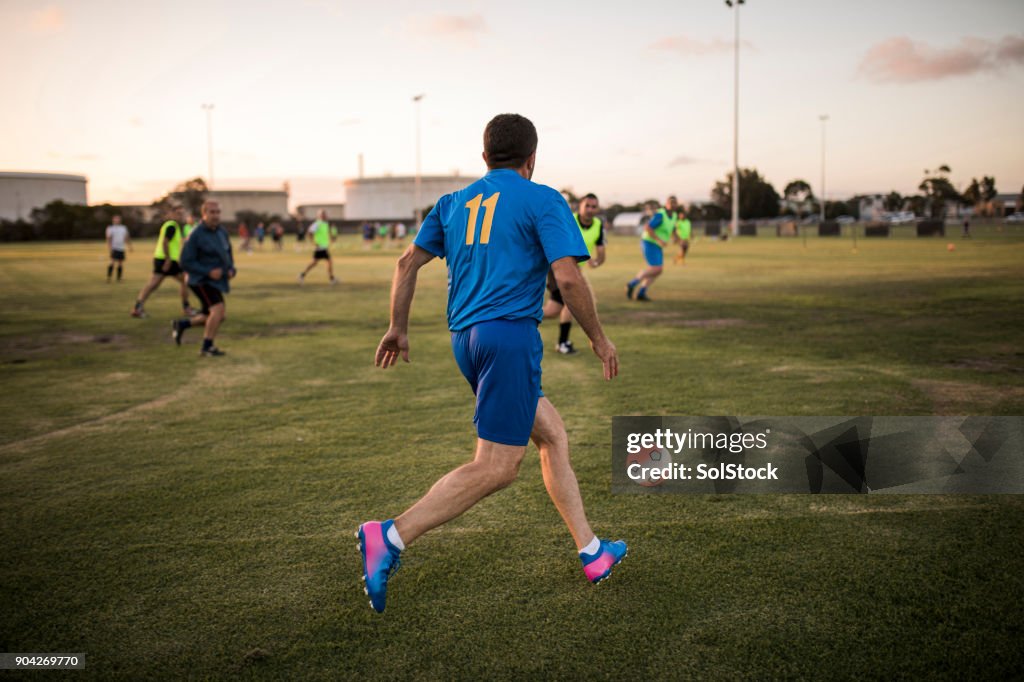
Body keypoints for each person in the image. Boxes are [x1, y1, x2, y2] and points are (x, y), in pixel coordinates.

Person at [358, 113, 625, 614]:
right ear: (532, 158)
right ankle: (390, 536)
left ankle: (592, 552)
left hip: (466, 340)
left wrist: (398, 325)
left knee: (551, 434)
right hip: (508, 338)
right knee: (498, 467)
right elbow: (567, 278)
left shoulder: (452, 202)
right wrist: (598, 338)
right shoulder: (543, 198)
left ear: (484, 158)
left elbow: (406, 264)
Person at [543, 192, 606, 354]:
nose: (590, 210)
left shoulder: (598, 225)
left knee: (553, 310)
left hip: (574, 270)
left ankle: (517, 316)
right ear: (580, 206)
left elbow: (601, 253)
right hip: (559, 269)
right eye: (587, 206)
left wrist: (596, 261)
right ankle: (563, 343)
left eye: (594, 206)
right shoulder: (568, 219)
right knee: (574, 301)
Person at [173, 200, 235, 357]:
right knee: (218, 310)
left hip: (216, 281)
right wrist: (208, 272)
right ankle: (207, 347)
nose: (215, 215)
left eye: (217, 212)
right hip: (200, 280)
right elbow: (185, 261)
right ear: (204, 214)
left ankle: (182, 324)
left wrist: (231, 269)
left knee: (217, 316)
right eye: (211, 212)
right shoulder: (196, 234)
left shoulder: (222, 232)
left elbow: (228, 253)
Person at [131, 205, 194, 318]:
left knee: (153, 284)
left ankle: (137, 307)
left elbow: (174, 242)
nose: (180, 216)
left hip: (162, 259)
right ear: (172, 214)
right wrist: (168, 260)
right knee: (185, 280)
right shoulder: (172, 226)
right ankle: (186, 308)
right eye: (178, 213)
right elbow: (165, 242)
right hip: (167, 260)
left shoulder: (172, 226)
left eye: (182, 214)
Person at [626, 195, 682, 302]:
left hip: (657, 245)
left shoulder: (674, 216)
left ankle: (641, 293)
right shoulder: (660, 215)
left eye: (675, 202)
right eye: (671, 202)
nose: (673, 205)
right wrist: (659, 240)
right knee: (657, 268)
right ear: (666, 204)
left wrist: (677, 239)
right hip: (649, 242)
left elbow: (673, 229)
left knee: (657, 271)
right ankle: (631, 284)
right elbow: (648, 228)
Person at [297, 210, 338, 285]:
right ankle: (331, 279)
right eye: (322, 214)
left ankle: (302, 275)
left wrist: (331, 238)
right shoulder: (317, 224)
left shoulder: (325, 224)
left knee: (318, 262)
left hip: (324, 247)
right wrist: (314, 242)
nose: (324, 215)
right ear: (319, 216)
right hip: (320, 247)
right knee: (323, 262)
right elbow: (309, 233)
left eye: (324, 214)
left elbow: (325, 233)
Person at [105, 215, 132, 283]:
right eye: (116, 219)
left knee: (120, 263)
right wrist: (110, 247)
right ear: (113, 220)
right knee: (112, 262)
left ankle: (119, 278)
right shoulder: (110, 228)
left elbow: (126, 237)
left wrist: (129, 246)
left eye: (118, 219)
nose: (117, 220)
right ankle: (109, 277)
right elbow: (108, 239)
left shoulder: (123, 228)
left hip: (121, 248)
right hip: (114, 248)